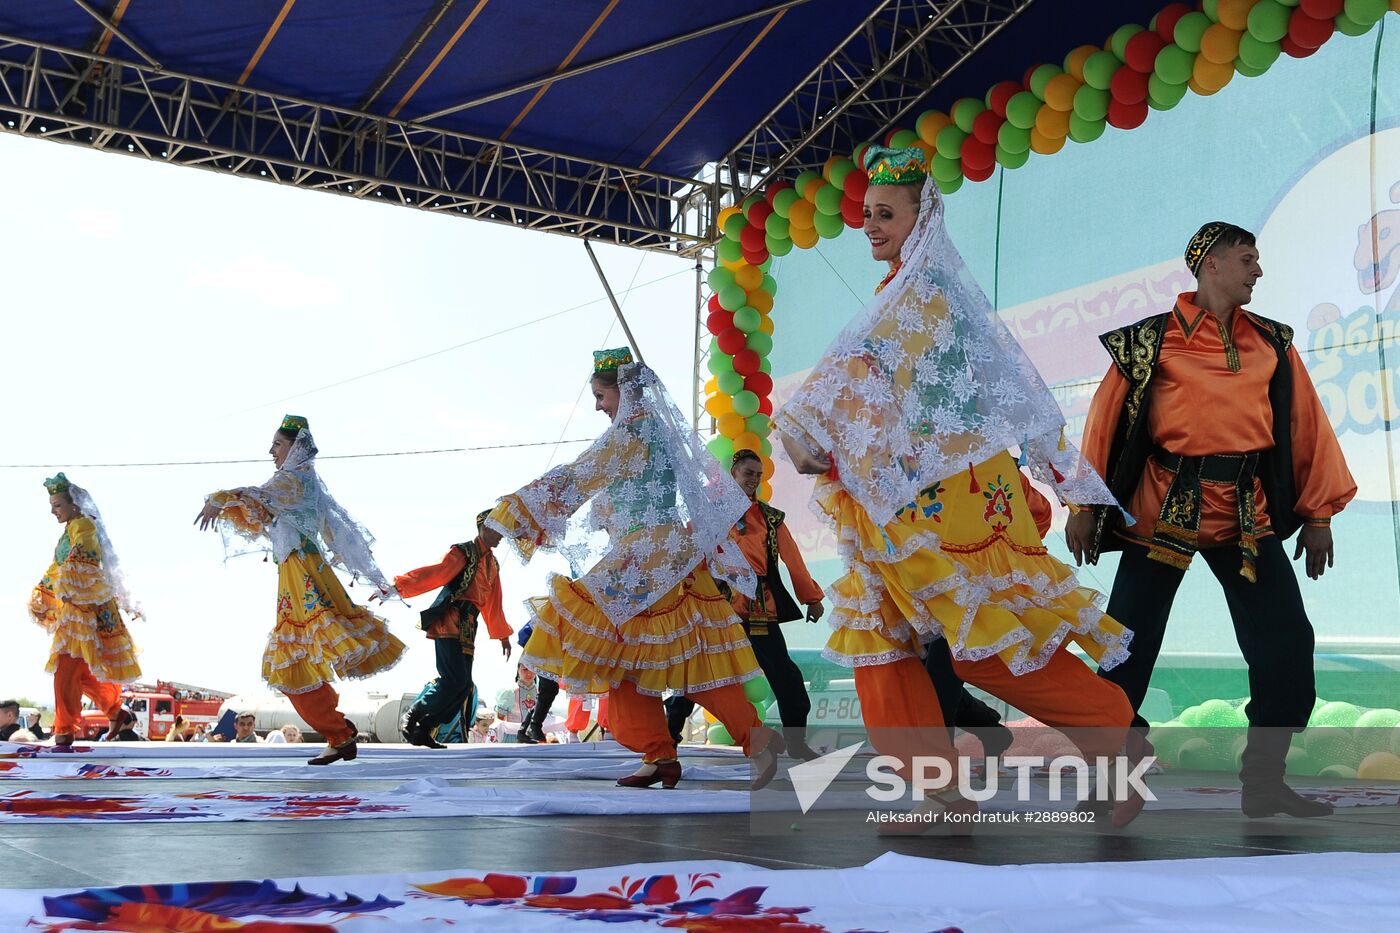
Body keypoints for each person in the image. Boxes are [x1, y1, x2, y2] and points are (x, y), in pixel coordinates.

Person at [775, 146, 1144, 827]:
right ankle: (938, 789)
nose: (872, 226)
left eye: (886, 214)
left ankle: (1110, 726)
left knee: (987, 640)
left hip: (958, 499)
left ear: (924, 218)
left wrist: (1070, 482)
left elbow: (1017, 391)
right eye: (866, 215)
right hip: (900, 502)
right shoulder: (901, 294)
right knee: (880, 640)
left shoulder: (930, 296)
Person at [1067, 222, 1356, 819]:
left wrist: (1319, 514)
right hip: (1163, 504)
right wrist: (1084, 506)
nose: (1258, 270)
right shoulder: (1150, 340)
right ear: (1211, 264)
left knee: (1285, 640)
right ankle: (1114, 769)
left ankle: (1265, 781)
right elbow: (1104, 423)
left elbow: (1306, 425)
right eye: (1248, 258)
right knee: (1125, 645)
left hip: (1246, 511)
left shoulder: (1272, 342)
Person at [486, 348, 782, 789]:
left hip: (646, 561)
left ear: (623, 392)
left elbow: (576, 476)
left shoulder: (629, 436)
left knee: (613, 645)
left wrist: (509, 515)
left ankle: (718, 743)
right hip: (665, 556)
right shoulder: (657, 432)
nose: (597, 405)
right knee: (642, 658)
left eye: (601, 395)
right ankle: (665, 753)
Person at [194, 415, 406, 765]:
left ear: (295, 448)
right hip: (299, 572)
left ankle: (339, 731)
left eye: (277, 444)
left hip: (302, 574)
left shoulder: (293, 480)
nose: (271, 451)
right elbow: (265, 509)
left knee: (290, 665)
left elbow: (260, 496)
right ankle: (339, 731)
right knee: (295, 664)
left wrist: (221, 498)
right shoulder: (303, 483)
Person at [662, 449, 827, 760]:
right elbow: (684, 555)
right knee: (696, 673)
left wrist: (812, 598)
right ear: (733, 474)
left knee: (785, 675)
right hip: (717, 610)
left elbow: (793, 559)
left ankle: (795, 742)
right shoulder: (708, 515)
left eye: (758, 475)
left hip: (758, 610)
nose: (754, 479)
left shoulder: (770, 517)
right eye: (748, 473)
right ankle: (667, 741)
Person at [28, 474, 142, 747]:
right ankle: (116, 711)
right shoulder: (70, 531)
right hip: (76, 612)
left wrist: (66, 589)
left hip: (84, 612)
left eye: (57, 505)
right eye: (52, 505)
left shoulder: (83, 527)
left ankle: (65, 729)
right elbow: (59, 568)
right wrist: (42, 594)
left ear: (74, 504)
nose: (53, 511)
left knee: (65, 669)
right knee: (81, 671)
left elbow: (84, 563)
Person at [392, 510, 513, 749]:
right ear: (484, 528)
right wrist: (399, 586)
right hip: (451, 619)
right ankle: (413, 715)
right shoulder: (463, 552)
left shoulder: (492, 563)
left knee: (465, 685)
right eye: (498, 530)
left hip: (469, 624)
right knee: (454, 679)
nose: (502, 536)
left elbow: (493, 601)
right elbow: (435, 573)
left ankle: (425, 728)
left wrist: (502, 635)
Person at [514, 624, 560, 745]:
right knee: (549, 687)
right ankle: (532, 727)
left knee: (549, 688)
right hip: (543, 645)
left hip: (546, 644)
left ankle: (526, 729)